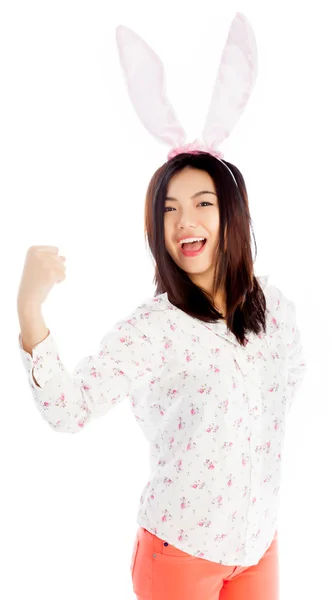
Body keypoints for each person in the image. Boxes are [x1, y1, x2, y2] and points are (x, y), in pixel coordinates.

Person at [16, 13, 307, 600]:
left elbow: (281, 392)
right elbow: (68, 411)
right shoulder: (155, 328)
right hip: (179, 556)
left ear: (233, 214)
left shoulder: (275, 309)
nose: (185, 222)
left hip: (259, 547)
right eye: (169, 209)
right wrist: (29, 308)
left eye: (202, 202)